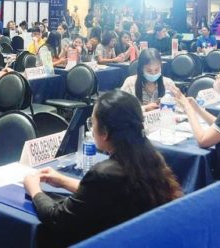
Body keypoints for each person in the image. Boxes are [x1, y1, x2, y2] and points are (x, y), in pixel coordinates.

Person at [23, 90, 182, 247]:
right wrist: (63, 181)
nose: (91, 128)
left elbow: (57, 218)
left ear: (104, 132)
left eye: (93, 122)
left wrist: (35, 190)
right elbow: (108, 193)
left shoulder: (104, 173)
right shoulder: (148, 157)